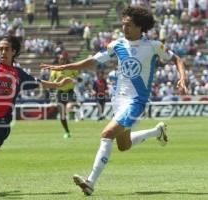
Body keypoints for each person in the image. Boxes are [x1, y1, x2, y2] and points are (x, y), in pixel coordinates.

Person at [41, 6, 188, 195]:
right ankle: (156, 131)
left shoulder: (153, 46)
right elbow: (93, 60)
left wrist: (182, 77)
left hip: (136, 101)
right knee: (123, 145)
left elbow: (178, 60)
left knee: (107, 133)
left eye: (128, 25)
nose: (124, 28)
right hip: (118, 101)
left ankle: (90, 182)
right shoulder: (117, 45)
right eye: (123, 25)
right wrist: (65, 66)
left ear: (139, 27)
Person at [0, 35, 71, 197]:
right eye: (0, 49)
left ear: (14, 52)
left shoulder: (18, 74)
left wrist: (57, 85)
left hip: (0, 122)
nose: (3, 52)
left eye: (6, 49)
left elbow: (38, 82)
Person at [49, 51, 79, 138]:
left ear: (65, 60)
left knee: (69, 107)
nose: (60, 60)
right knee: (62, 114)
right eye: (60, 59)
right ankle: (67, 132)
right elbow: (50, 82)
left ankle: (74, 109)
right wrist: (56, 81)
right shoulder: (55, 69)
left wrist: (74, 79)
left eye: (62, 59)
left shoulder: (71, 68)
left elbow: (77, 77)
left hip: (69, 91)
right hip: (60, 93)